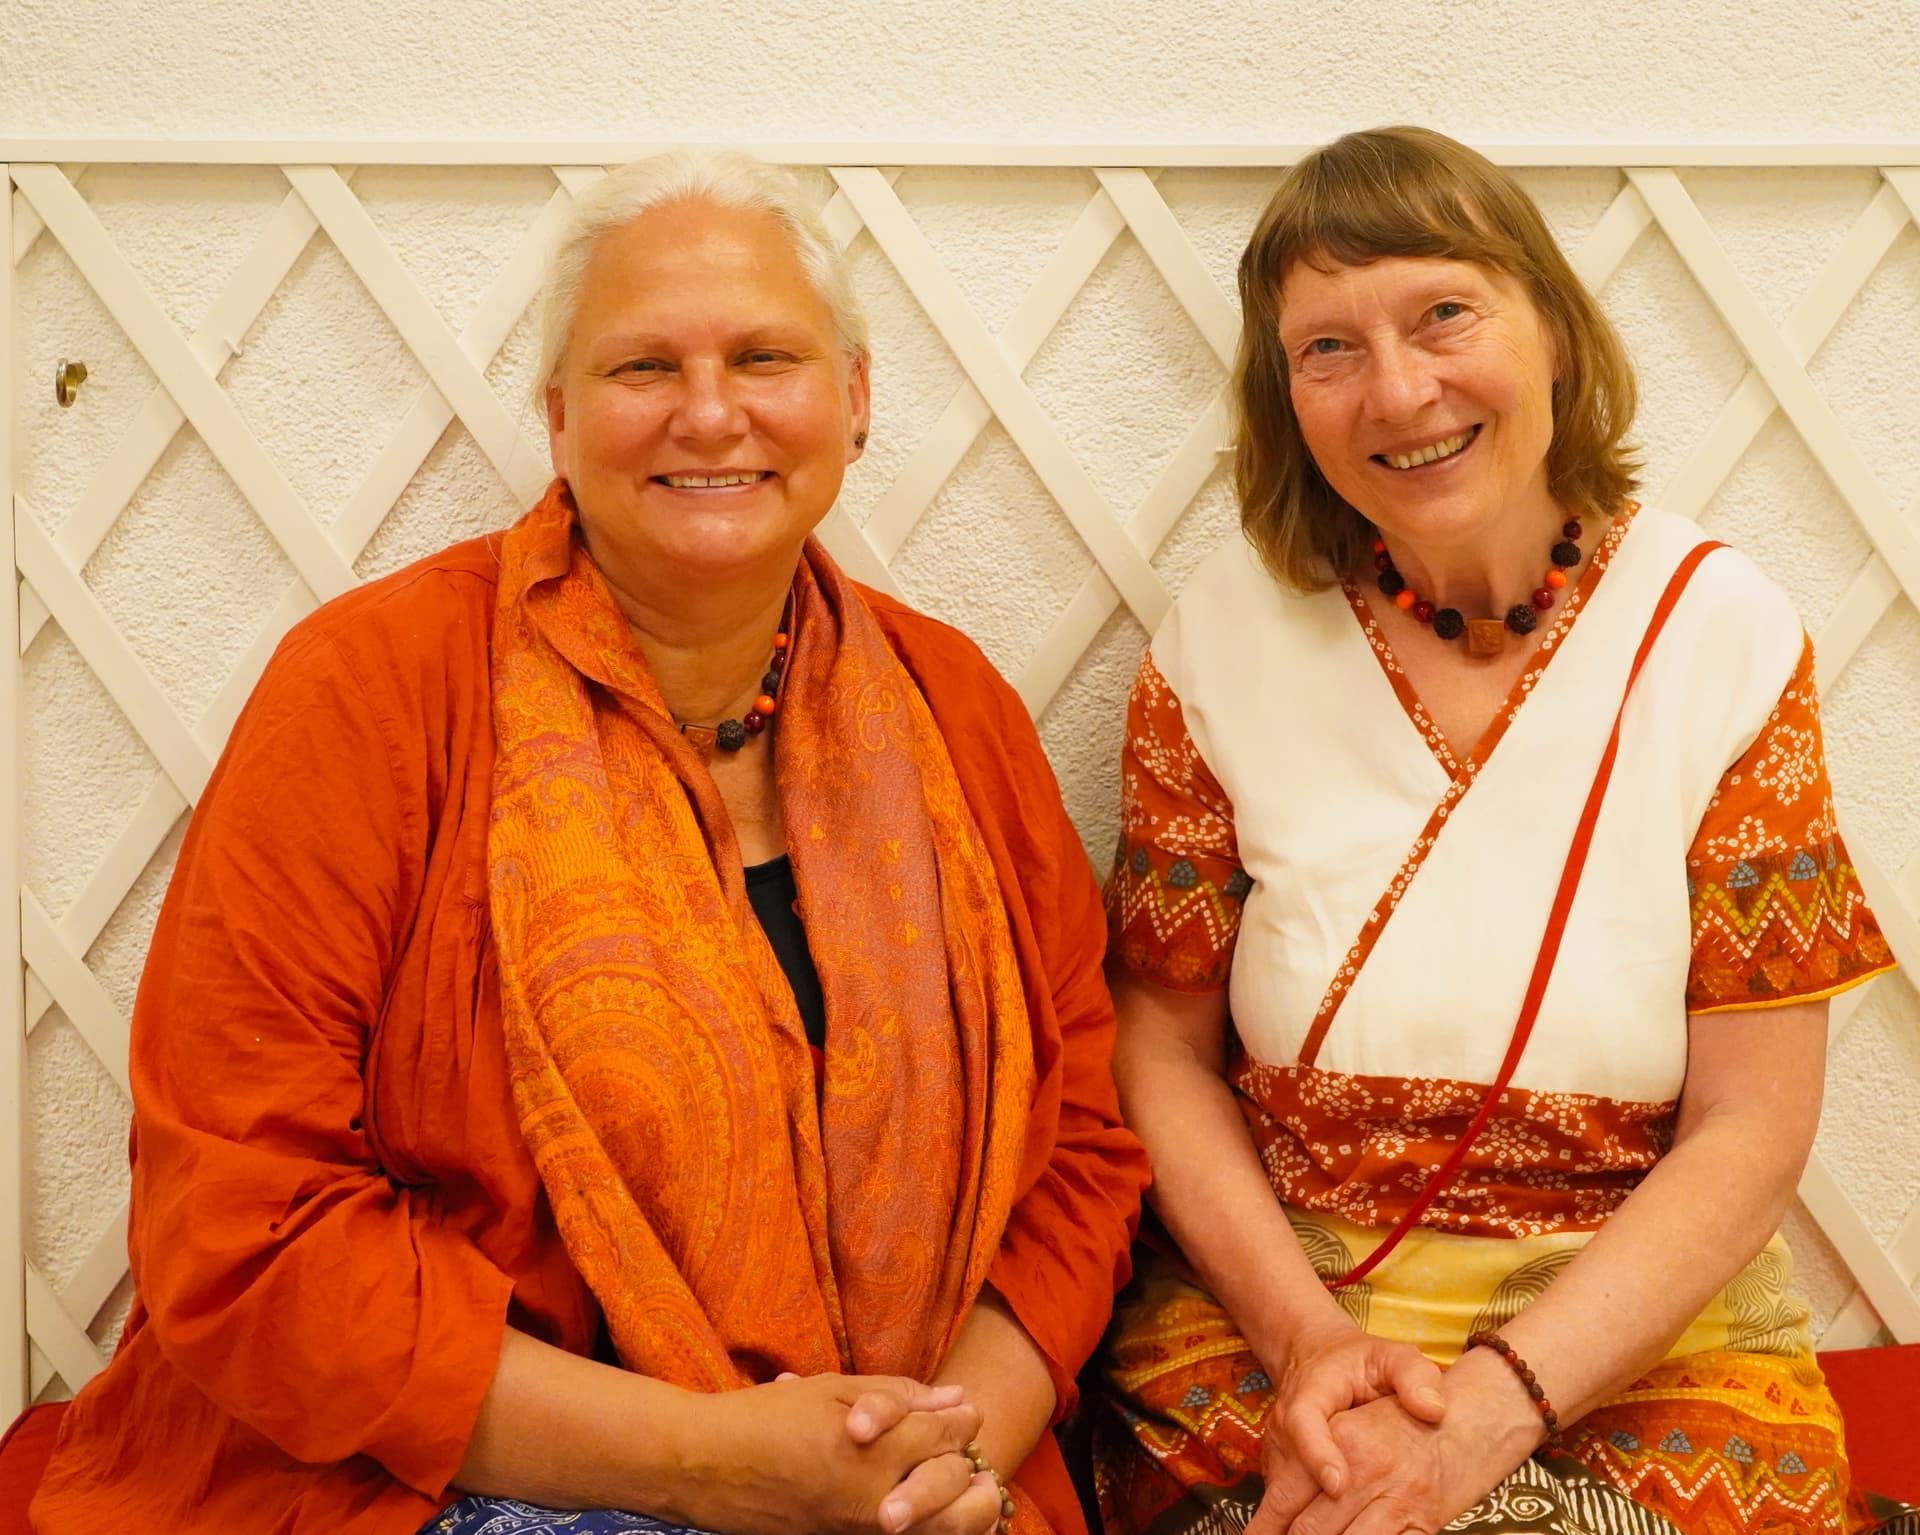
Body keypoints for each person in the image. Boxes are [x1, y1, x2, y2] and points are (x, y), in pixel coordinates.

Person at [30, 150, 1149, 1535]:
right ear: (559, 419)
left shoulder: (953, 710)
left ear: (854, 401)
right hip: (429, 1485)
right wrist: (719, 1468)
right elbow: (245, 1224)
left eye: (765, 357)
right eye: (641, 368)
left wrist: (940, 1458)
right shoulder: (370, 696)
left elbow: (1078, 1148)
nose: (710, 412)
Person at [1094, 126, 1904, 1535]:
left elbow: (1753, 1119)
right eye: (1328, 349)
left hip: (1633, 1324)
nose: (1398, 390)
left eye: (1444, 314)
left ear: (1557, 334)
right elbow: (1157, 1049)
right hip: (1278, 1308)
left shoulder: (1718, 632)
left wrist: (1490, 1412)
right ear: (1285, 400)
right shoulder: (1216, 640)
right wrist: (1310, 1346)